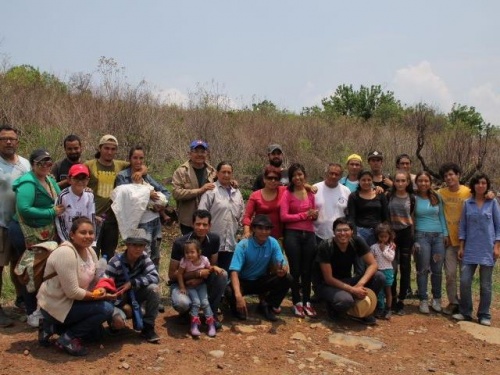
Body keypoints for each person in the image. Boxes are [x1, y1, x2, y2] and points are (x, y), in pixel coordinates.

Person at [37, 217, 115, 356]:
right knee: (106, 309)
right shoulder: (66, 253)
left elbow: (98, 276)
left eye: (91, 233)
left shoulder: (90, 251)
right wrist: (96, 297)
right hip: (58, 304)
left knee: (95, 336)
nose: (88, 236)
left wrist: (102, 288)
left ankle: (51, 326)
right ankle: (67, 338)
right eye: (83, 232)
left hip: (73, 302)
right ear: (72, 235)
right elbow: (72, 292)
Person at [9, 149, 64, 327]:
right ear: (32, 164)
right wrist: (51, 212)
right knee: (30, 271)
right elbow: (24, 208)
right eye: (41, 163)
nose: (45, 166)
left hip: (45, 233)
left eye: (48, 163)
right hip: (26, 233)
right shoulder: (28, 182)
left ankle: (43, 309)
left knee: (43, 271)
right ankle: (32, 310)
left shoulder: (49, 179)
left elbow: (59, 199)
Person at [313, 217, 384, 325]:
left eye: (346, 230)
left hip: (347, 281)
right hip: (326, 285)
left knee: (379, 277)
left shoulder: (357, 241)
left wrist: (360, 284)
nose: (342, 233)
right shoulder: (326, 246)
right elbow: (328, 279)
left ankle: (362, 310)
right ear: (334, 232)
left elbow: (373, 264)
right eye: (339, 230)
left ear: (352, 232)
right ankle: (332, 307)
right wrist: (353, 290)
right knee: (345, 301)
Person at [453, 173, 500, 326]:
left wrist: (497, 246)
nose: (481, 185)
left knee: (485, 284)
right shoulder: (467, 203)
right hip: (470, 249)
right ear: (473, 186)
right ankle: (466, 312)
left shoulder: (492, 203)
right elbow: (463, 227)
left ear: (487, 185)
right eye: (478, 183)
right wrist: (461, 246)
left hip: (487, 248)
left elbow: (498, 226)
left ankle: (484, 314)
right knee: (465, 281)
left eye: (484, 183)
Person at [168, 210, 227, 328]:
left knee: (222, 274)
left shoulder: (214, 239)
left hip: (202, 282)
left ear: (210, 226)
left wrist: (200, 279)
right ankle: (186, 313)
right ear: (192, 224)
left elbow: (212, 267)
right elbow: (172, 274)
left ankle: (212, 314)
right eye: (198, 224)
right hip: (181, 284)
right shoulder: (180, 243)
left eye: (205, 225)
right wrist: (196, 274)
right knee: (182, 303)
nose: (201, 227)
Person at [228, 214, 292, 322]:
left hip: (260, 280)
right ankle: (237, 308)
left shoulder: (273, 243)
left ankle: (267, 305)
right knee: (229, 291)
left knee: (287, 278)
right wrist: (238, 296)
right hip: (243, 281)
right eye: (260, 228)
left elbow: (281, 262)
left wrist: (283, 270)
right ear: (253, 228)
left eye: (267, 228)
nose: (264, 232)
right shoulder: (243, 245)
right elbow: (234, 271)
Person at [116, 145, 171, 268]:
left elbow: (165, 191)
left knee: (155, 255)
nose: (138, 161)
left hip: (155, 220)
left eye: (141, 158)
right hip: (139, 223)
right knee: (142, 254)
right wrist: (147, 194)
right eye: (135, 158)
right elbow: (126, 199)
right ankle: (140, 281)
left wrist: (162, 205)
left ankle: (153, 282)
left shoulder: (145, 175)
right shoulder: (123, 176)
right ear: (129, 159)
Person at [85, 135, 138, 259]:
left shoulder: (120, 165)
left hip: (112, 219)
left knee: (108, 255)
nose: (109, 152)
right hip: (93, 218)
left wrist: (140, 172)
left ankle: (107, 278)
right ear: (100, 148)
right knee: (91, 255)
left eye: (113, 149)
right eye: (106, 148)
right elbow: (75, 178)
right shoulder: (89, 165)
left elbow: (139, 165)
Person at [106, 228, 161, 343]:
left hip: (135, 294)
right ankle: (113, 324)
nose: (138, 248)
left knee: (154, 289)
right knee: (118, 322)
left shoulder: (144, 257)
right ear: (127, 245)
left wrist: (133, 283)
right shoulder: (115, 262)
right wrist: (123, 304)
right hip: (117, 299)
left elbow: (155, 277)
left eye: (141, 245)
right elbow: (106, 287)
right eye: (134, 245)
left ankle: (148, 327)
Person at [0, 125, 30, 328]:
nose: (8, 142)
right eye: (4, 139)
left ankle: (21, 300)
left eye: (12, 138)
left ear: (17, 141)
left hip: (20, 224)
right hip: (0, 224)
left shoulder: (25, 164)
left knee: (18, 265)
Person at [280, 163, 318, 318]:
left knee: (307, 270)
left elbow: (314, 215)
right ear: (291, 178)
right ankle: (297, 302)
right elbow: (284, 217)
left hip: (309, 234)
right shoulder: (287, 194)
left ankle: (307, 301)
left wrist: (314, 215)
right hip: (292, 234)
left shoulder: (310, 194)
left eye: (300, 174)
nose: (297, 178)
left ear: (305, 176)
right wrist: (303, 215)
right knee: (295, 270)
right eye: (294, 175)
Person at [437, 162, 471, 315]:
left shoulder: (468, 192)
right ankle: (453, 302)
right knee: (450, 274)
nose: (448, 178)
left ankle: (466, 306)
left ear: (458, 175)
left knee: (465, 277)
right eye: (445, 176)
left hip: (467, 242)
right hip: (449, 241)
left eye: (451, 174)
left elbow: (483, 196)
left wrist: (489, 193)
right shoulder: (440, 193)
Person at [198, 161, 244, 271]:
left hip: (231, 242)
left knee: (227, 273)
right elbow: (201, 214)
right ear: (217, 173)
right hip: (212, 242)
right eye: (223, 172)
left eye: (229, 172)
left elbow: (242, 214)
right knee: (211, 272)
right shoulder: (211, 191)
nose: (226, 175)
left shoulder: (237, 192)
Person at [414, 171, 448, 314]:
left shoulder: (436, 196)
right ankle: (423, 299)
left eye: (426, 181)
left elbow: (441, 216)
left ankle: (437, 299)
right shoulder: (413, 198)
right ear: (416, 183)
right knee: (422, 269)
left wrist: (445, 233)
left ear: (430, 182)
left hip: (438, 236)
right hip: (421, 236)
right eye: (420, 181)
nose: (423, 183)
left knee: (437, 270)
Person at [177, 239, 223, 337]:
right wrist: (182, 287)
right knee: (196, 303)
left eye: (192, 252)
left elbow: (209, 269)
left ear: (199, 252)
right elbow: (180, 274)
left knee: (205, 302)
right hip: (190, 287)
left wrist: (215, 268)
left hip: (201, 285)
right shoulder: (184, 261)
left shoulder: (204, 260)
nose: (189, 255)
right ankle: (194, 325)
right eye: (187, 253)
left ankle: (210, 324)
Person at [172, 140, 216, 235]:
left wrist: (231, 182)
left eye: (202, 152)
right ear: (190, 153)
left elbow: (222, 183)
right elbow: (176, 193)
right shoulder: (181, 171)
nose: (199, 154)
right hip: (188, 220)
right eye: (196, 151)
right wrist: (200, 190)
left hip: (206, 220)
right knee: (190, 247)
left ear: (207, 154)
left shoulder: (212, 171)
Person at [387, 170, 415, 314]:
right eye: (397, 180)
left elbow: (412, 216)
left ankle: (402, 300)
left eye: (403, 181)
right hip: (391, 234)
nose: (400, 183)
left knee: (405, 268)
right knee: (391, 267)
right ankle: (391, 298)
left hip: (406, 234)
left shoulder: (411, 197)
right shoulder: (389, 196)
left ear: (408, 182)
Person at [347, 170, 389, 248]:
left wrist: (387, 234)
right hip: (360, 232)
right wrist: (354, 235)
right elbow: (351, 217)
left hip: (378, 232)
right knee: (361, 258)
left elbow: (386, 216)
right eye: (363, 180)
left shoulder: (380, 194)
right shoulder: (353, 196)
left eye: (369, 180)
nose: (366, 182)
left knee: (377, 258)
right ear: (359, 181)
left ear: (372, 180)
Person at [55, 164, 96, 242]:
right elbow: (59, 221)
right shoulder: (63, 196)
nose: (80, 181)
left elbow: (91, 218)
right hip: (67, 238)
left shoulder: (90, 195)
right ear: (69, 179)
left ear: (88, 180)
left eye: (83, 178)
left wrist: (91, 239)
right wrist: (67, 241)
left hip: (84, 238)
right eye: (76, 178)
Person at [314, 163, 351, 244]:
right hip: (318, 235)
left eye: (336, 174)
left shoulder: (346, 191)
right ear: (326, 173)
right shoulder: (315, 189)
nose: (333, 176)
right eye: (331, 173)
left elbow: (349, 213)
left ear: (341, 176)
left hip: (340, 236)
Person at [370, 223, 396, 320]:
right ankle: (380, 308)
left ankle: (388, 309)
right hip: (378, 272)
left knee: (388, 290)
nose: (383, 239)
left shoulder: (391, 246)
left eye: (385, 236)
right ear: (377, 236)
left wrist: (384, 250)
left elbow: (391, 258)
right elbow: (371, 259)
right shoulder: (373, 247)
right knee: (380, 292)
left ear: (389, 236)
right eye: (381, 236)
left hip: (388, 271)